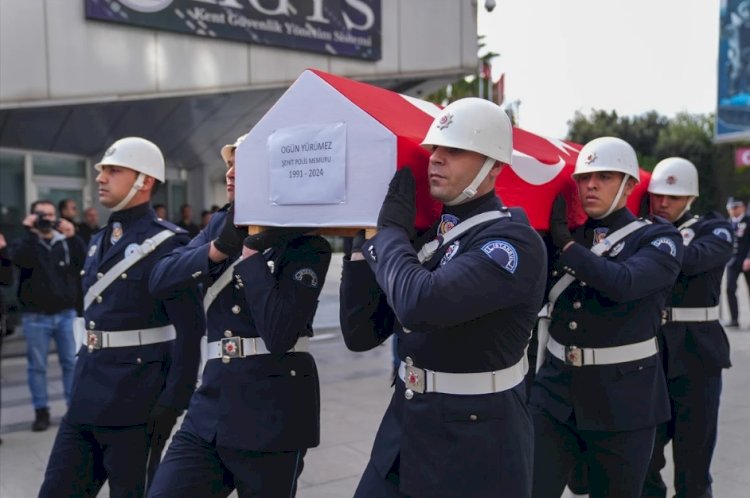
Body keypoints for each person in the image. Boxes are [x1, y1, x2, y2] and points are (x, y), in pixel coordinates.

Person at [340, 97, 547, 498]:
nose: (435, 158)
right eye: (434, 148)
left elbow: (421, 305)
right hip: (404, 430)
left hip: (475, 443)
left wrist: (389, 236)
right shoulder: (426, 235)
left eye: (454, 150)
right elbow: (360, 333)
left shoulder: (511, 241)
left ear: (493, 166)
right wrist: (363, 238)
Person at [146, 133, 331, 497]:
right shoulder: (220, 227)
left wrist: (250, 256)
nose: (229, 173)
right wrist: (216, 250)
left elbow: (279, 333)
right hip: (210, 409)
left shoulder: (306, 245)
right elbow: (159, 279)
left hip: (272, 414)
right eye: (229, 164)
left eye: (241, 165)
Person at [38, 137, 204, 497]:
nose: (101, 177)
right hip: (87, 394)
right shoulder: (100, 239)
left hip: (138, 401)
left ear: (144, 181)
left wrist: (172, 404)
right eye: (102, 170)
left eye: (113, 170)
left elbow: (190, 332)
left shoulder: (168, 243)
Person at [530, 137, 684, 498]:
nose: (591, 185)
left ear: (629, 185)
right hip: (556, 394)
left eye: (604, 176)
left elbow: (624, 283)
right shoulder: (565, 235)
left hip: (624, 403)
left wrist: (567, 247)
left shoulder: (659, 237)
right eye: (583, 178)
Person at [641, 158, 733, 498]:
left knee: (694, 466)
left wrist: (650, 244)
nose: (664, 203)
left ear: (690, 198)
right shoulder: (641, 228)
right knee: (646, 460)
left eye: (674, 197)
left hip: (698, 354)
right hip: (650, 351)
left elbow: (694, 261)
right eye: (659, 195)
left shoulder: (715, 227)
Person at [7, 200, 85, 432]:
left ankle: (74, 410)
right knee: (37, 367)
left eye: (50, 215)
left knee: (71, 363)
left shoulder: (66, 242)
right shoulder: (26, 242)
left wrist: (73, 236)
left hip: (65, 314)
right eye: (41, 215)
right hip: (35, 316)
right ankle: (41, 412)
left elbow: (85, 264)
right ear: (32, 217)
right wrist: (29, 232)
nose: (47, 219)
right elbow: (18, 261)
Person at [724, 196, 750, 327]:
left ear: (743, 207)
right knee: (729, 289)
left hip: (746, 260)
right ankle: (734, 319)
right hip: (732, 261)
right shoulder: (727, 223)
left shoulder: (748, 221)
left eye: (735, 207)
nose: (732, 210)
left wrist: (749, 258)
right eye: (730, 208)